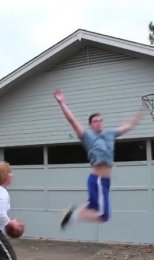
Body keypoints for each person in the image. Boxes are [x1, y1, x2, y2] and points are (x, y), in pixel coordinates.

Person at [54, 89, 145, 229]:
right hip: (97, 180)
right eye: (95, 121)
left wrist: (142, 110)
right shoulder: (87, 135)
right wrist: (62, 103)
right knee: (104, 216)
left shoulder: (110, 133)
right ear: (91, 124)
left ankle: (72, 214)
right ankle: (72, 216)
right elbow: (72, 120)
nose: (99, 123)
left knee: (92, 206)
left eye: (101, 120)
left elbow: (129, 125)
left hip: (105, 182)